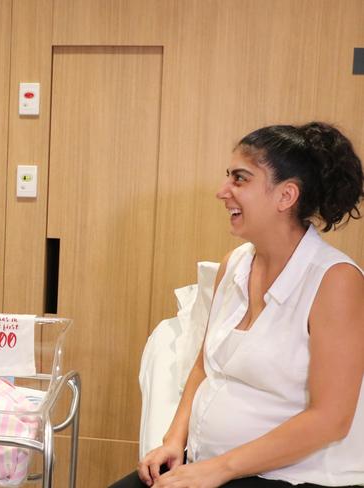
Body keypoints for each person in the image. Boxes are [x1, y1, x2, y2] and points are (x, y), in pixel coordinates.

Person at [111, 122, 364, 488]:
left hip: (293, 477)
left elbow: (331, 419)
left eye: (240, 179)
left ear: (285, 196)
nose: (222, 191)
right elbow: (203, 367)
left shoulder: (336, 280)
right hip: (213, 467)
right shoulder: (235, 265)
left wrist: (218, 470)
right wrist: (173, 441)